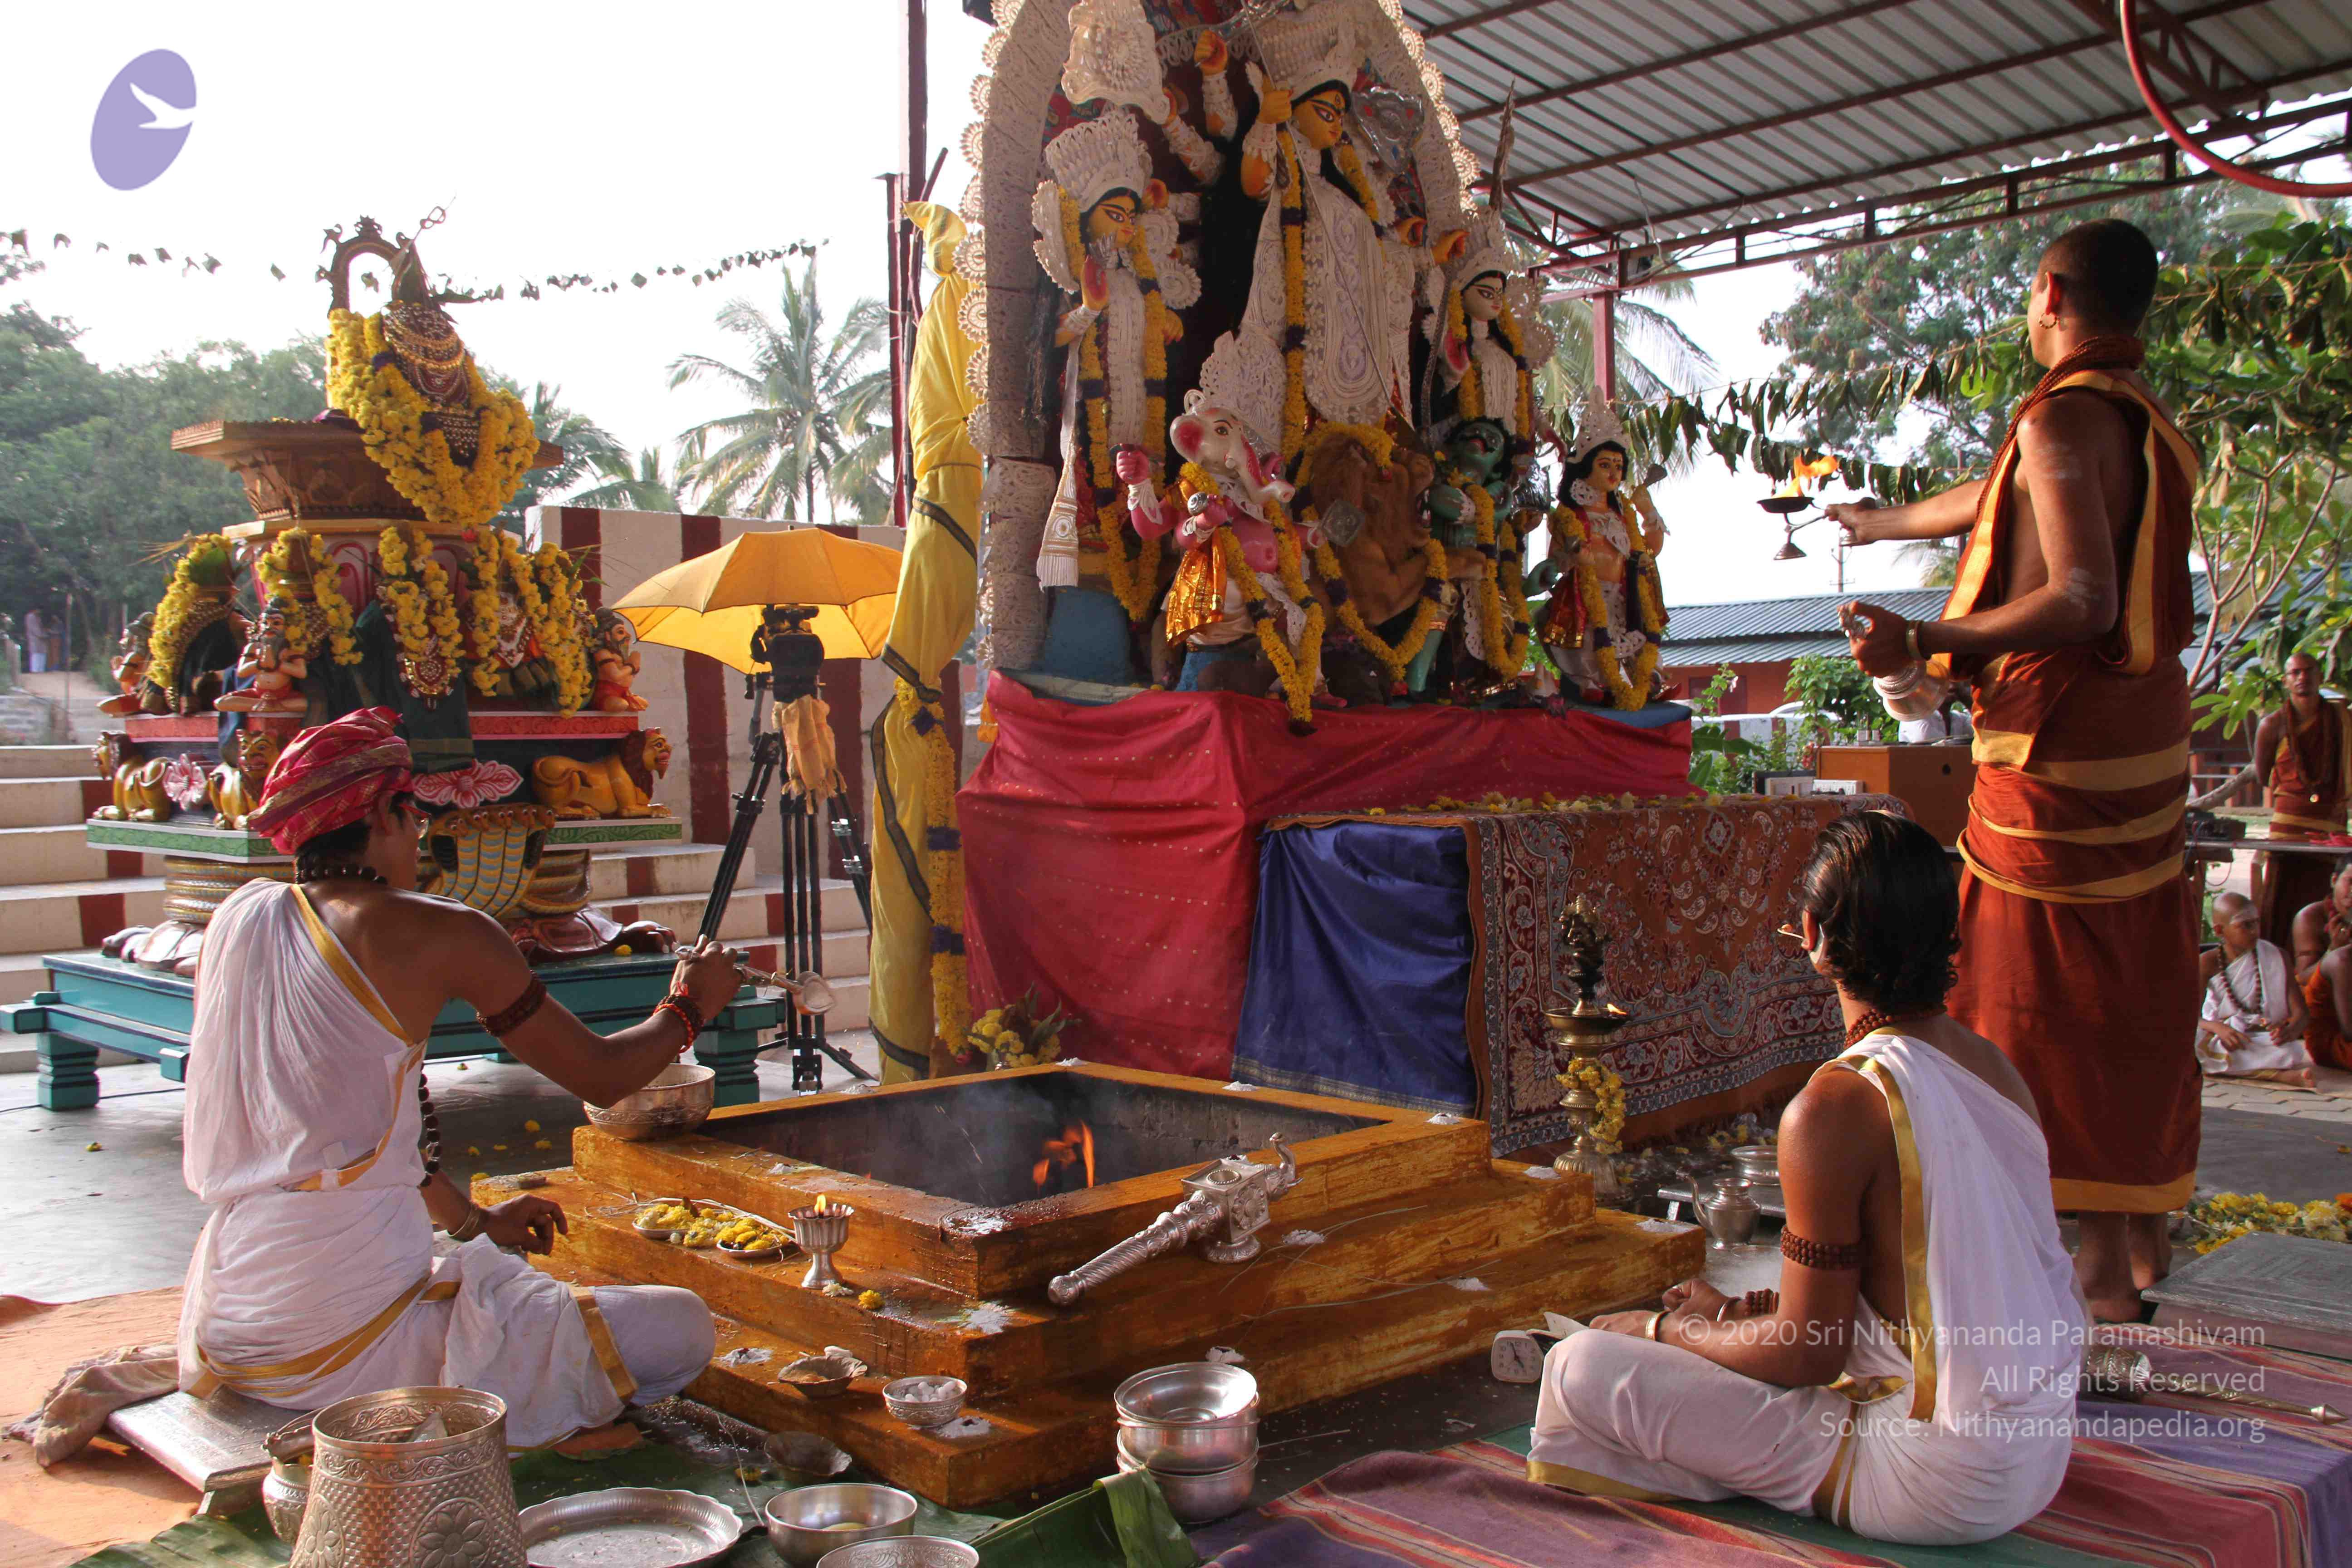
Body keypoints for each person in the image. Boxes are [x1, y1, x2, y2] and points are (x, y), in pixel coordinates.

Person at [178, 707, 741, 1446]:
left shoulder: (236, 919)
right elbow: (603, 1078)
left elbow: (348, 1145)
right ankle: (516, 1418)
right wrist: (689, 1006)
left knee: (502, 1284)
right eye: (415, 815)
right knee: (681, 1326)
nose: (421, 834)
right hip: (340, 1339)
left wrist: (477, 1224)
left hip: (231, 1323)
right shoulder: (437, 928)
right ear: (386, 813)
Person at [1528, 813, 2081, 1546]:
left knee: (1580, 1367)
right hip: (2039, 1450)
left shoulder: (1833, 1106)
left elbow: (1806, 1352)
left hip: (1936, 1475)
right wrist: (1731, 1317)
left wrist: (1665, 1329)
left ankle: (1722, 1463)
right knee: (1741, 1322)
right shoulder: (1996, 1072)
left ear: (1813, 935)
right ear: (1948, 931)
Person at [1833, 217, 2200, 1322]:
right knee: (2130, 982)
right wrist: (1875, 522)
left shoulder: (2060, 417)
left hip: (2059, 756)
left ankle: (2084, 1267)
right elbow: (2000, 495)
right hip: (2139, 744)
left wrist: (1928, 641)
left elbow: (2082, 598)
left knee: (2032, 999)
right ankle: (2138, 1235)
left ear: (2049, 294)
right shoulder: (2139, 421)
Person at [2249, 651, 2346, 942]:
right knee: (2281, 900)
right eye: (2296, 673)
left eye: (2309, 671)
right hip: (2288, 828)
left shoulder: (2343, 720)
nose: (2303, 677)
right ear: (2286, 681)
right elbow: (2263, 776)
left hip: (2331, 824)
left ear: (2321, 675)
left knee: (2326, 897)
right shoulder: (2272, 725)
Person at [2195, 892, 2313, 1086]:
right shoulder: (2207, 962)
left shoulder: (2277, 956)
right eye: (2246, 925)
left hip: (2261, 1038)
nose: (2255, 931)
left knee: (2291, 1050)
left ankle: (2242, 1070)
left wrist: (2289, 1032)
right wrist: (2219, 1028)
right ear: (2219, 930)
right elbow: (2190, 1016)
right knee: (2192, 1046)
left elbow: (2302, 1014)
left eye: (2256, 923)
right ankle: (2280, 1076)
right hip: (2222, 1035)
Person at [2288, 853, 2352, 982]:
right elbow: (2303, 979)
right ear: (2334, 880)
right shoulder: (2311, 917)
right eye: (2351, 882)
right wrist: (2334, 949)